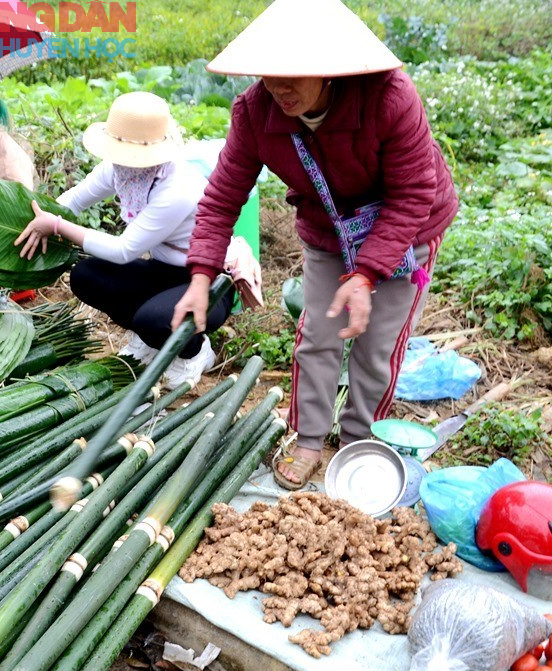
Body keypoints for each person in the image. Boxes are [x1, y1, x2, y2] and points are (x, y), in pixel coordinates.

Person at [171, 0, 458, 489]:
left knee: (375, 344)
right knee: (318, 336)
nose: (279, 88)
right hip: (329, 229)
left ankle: (357, 445)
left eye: (295, 75)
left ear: (331, 71)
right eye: (269, 74)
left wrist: (366, 275)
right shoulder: (256, 111)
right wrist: (200, 275)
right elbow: (222, 197)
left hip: (405, 229)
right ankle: (308, 440)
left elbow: (413, 193)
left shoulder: (388, 98)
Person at [16, 91, 259, 390]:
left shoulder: (178, 188)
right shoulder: (122, 170)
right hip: (164, 270)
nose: (121, 159)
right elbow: (74, 201)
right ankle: (151, 342)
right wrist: (37, 217)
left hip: (207, 280)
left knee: (153, 320)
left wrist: (56, 226)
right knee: (86, 276)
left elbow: (123, 250)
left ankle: (195, 352)